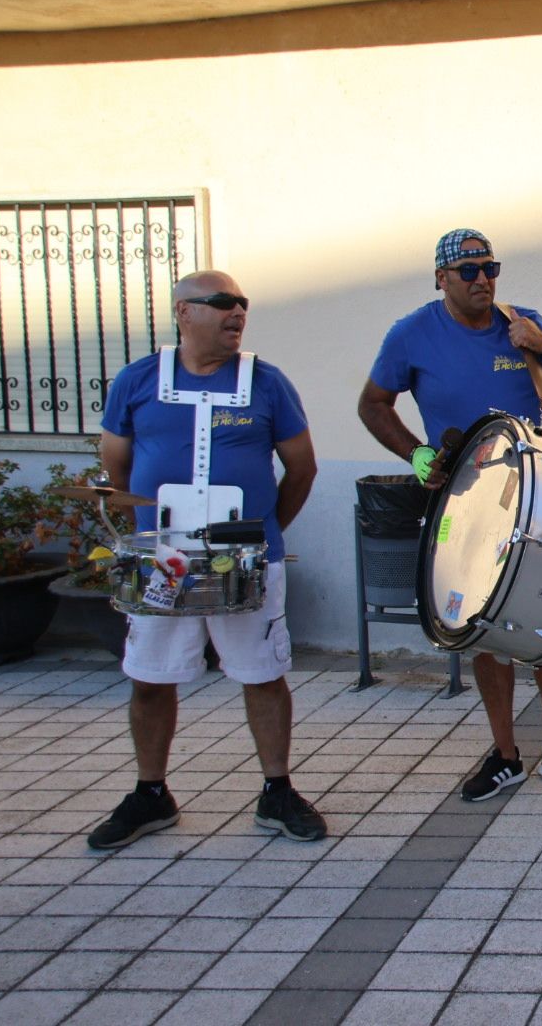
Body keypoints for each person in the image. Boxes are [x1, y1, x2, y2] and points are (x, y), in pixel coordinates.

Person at [357, 228, 542, 802]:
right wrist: (417, 453)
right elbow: (372, 404)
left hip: (534, 490)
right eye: (468, 271)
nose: (482, 280)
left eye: (489, 268)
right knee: (483, 625)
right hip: (462, 495)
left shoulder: (522, 322)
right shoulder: (412, 334)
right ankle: (504, 755)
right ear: (441, 278)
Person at [87, 270, 325, 849]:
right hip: (164, 559)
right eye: (221, 304)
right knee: (150, 677)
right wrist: (146, 528)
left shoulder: (267, 384)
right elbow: (115, 468)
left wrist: (266, 533)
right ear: (183, 312)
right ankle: (151, 793)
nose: (236, 313)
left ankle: (277, 790)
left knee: (262, 672)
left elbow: (302, 469)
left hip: (246, 559)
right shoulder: (137, 381)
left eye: (242, 304)